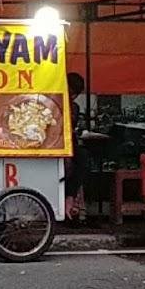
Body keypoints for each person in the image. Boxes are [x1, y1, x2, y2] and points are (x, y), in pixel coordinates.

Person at [65, 71, 89, 222]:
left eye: (74, 94)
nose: (72, 96)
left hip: (70, 144)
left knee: (82, 159)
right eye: (70, 92)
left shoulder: (74, 107)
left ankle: (71, 197)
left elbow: (71, 126)